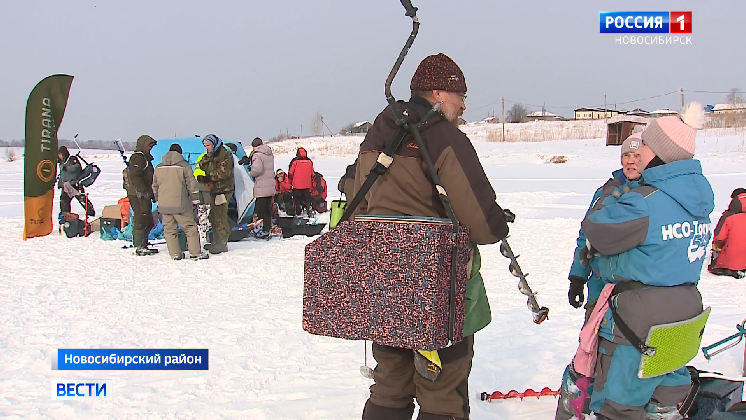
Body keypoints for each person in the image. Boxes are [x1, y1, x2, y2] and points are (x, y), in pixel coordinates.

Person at [353, 52, 511, 420]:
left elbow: (360, 203)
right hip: (435, 284)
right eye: (461, 96)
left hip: (383, 278)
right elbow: (483, 224)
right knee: (442, 390)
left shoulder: (378, 133)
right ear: (439, 93)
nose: (464, 105)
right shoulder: (444, 137)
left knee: (389, 384)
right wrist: (498, 222)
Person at [580, 102, 714, 420]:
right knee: (667, 401)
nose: (639, 153)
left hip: (638, 322)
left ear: (661, 152)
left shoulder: (644, 202)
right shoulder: (699, 198)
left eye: (647, 145)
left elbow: (596, 230)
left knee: (618, 405)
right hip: (684, 316)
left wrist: (612, 197)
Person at [556, 133, 643, 420]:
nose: (631, 161)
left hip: (634, 293)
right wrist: (577, 277)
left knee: (625, 356)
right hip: (599, 289)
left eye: (636, 156)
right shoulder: (607, 191)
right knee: (591, 349)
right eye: (626, 156)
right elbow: (586, 235)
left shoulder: (652, 193)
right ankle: (583, 406)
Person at [152, 144, 209, 260]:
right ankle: (195, 253)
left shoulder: (158, 167)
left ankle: (175, 254)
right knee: (189, 228)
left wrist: (158, 199)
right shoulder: (184, 166)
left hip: (164, 205)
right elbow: (191, 185)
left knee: (169, 230)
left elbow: (155, 186)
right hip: (180, 204)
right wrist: (195, 199)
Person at [196, 134, 234, 254]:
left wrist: (208, 177)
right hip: (215, 190)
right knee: (213, 216)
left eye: (208, 146)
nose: (206, 148)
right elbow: (202, 164)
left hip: (223, 190)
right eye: (205, 146)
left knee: (220, 216)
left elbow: (224, 173)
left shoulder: (225, 155)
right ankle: (216, 241)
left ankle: (222, 243)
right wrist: (208, 157)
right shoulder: (210, 155)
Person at [126, 135, 158, 256]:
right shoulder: (138, 158)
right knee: (141, 218)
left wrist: (150, 193)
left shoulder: (144, 158)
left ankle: (143, 243)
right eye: (149, 145)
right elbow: (135, 176)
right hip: (138, 194)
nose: (150, 148)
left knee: (148, 219)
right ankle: (139, 246)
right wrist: (144, 190)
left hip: (143, 193)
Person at [708, 188, 746, 278]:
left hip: (733, 258)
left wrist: (716, 248)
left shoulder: (728, 217)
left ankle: (729, 269)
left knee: (715, 265)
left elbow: (719, 237)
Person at [248, 137, 275, 240]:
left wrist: (250, 173)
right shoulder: (269, 153)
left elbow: (257, 170)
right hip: (270, 186)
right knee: (267, 210)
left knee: (260, 210)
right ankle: (267, 229)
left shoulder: (257, 155)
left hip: (261, 187)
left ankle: (261, 230)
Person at [57, 146, 95, 217]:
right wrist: (60, 183)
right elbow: (62, 174)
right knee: (64, 201)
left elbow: (77, 167)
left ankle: (91, 213)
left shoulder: (72, 159)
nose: (59, 156)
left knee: (82, 200)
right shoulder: (62, 163)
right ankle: (65, 214)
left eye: (60, 154)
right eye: (58, 155)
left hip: (75, 184)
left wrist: (66, 168)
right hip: (66, 185)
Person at [288, 146, 315, 217]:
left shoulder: (295, 162)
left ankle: (299, 211)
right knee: (307, 199)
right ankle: (309, 210)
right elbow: (312, 173)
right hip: (307, 185)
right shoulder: (310, 162)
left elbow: (290, 173)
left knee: (297, 200)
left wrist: (290, 182)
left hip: (297, 186)